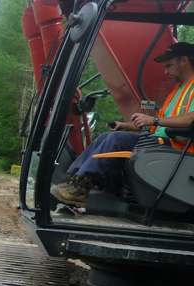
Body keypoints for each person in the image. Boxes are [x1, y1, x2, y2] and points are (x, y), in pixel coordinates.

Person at [52, 42, 194, 207]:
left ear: (184, 61)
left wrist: (154, 120)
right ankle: (73, 180)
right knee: (108, 136)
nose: (165, 71)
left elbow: (190, 119)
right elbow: (160, 124)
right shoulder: (178, 90)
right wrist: (127, 125)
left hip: (178, 148)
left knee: (117, 140)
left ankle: (80, 188)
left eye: (169, 66)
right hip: (162, 142)